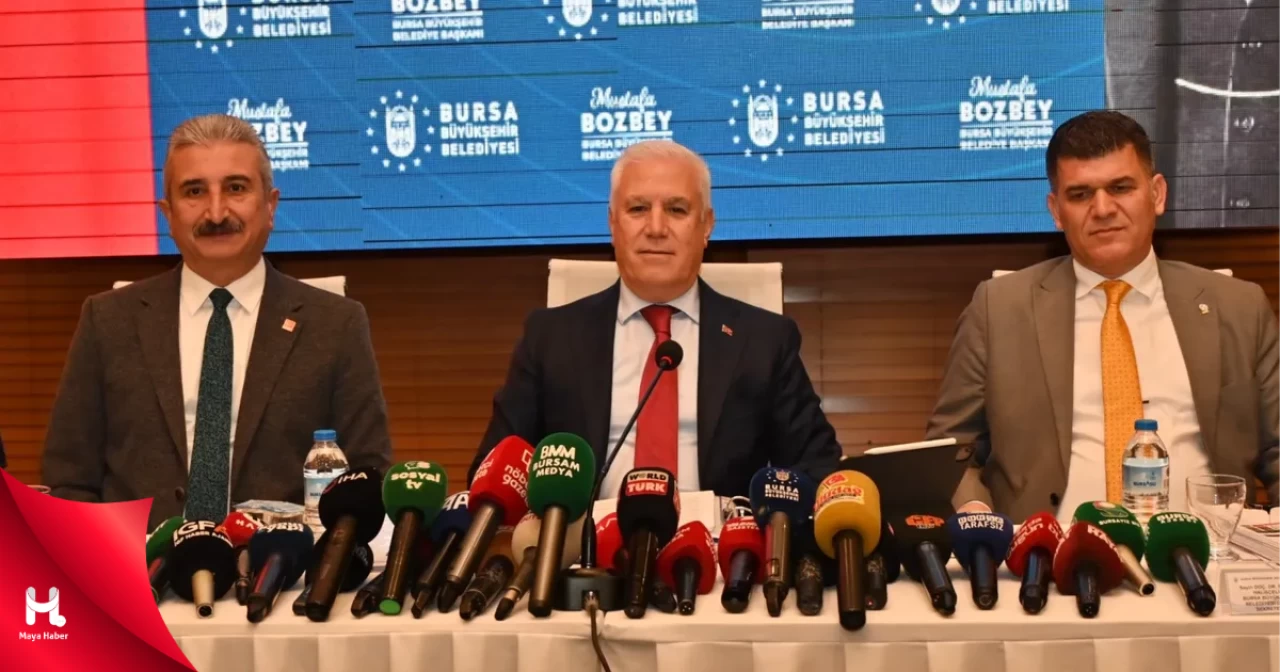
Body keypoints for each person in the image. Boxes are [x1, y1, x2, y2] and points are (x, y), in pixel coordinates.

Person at [928, 110, 1280, 522]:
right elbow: (953, 450)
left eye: (1120, 188)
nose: (1102, 208)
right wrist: (976, 518)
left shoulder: (1239, 307)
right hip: (1048, 555)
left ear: (1157, 194)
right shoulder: (997, 309)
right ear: (1056, 210)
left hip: (1206, 550)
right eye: (1080, 194)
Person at [42, 114, 392, 528]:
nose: (216, 211)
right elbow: (70, 481)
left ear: (270, 205)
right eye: (194, 192)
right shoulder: (108, 321)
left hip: (286, 564)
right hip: (138, 563)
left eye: (236, 188)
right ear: (168, 213)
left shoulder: (336, 324)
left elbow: (368, 475)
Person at [471, 140, 841, 498]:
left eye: (677, 210)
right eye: (638, 209)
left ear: (707, 225)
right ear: (612, 223)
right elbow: (494, 474)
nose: (656, 228)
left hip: (718, 539)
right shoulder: (550, 338)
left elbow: (818, 468)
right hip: (586, 537)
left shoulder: (764, 341)